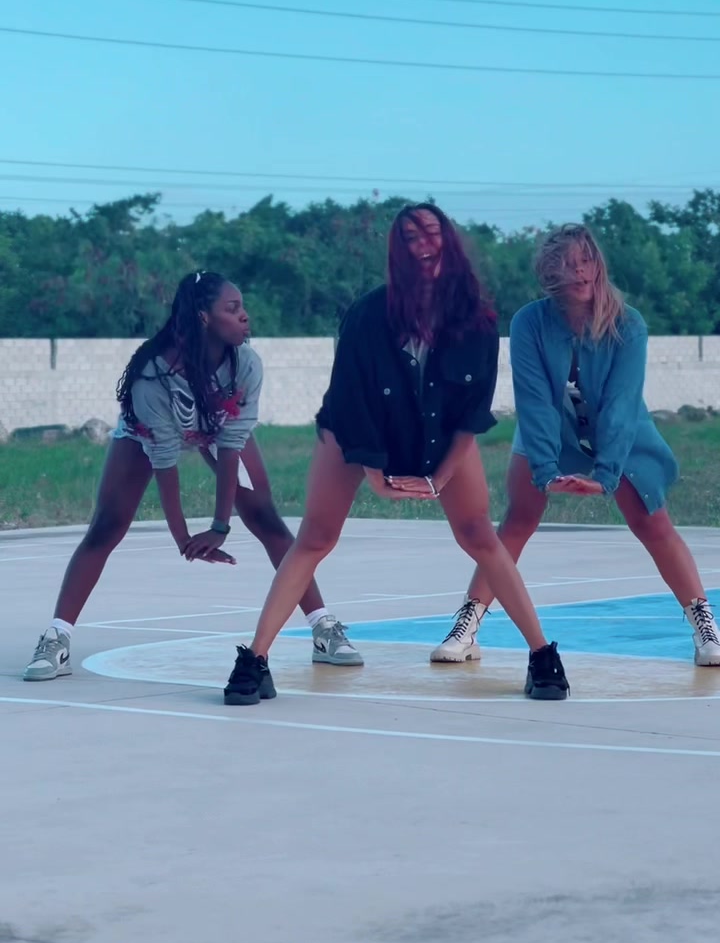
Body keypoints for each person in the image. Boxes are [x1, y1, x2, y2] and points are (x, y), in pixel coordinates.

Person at [223, 203, 568, 707]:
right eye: (409, 237)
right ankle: (254, 660)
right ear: (397, 252)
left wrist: (441, 477)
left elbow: (471, 412)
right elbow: (352, 401)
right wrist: (375, 473)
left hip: (439, 434)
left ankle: (541, 656)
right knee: (316, 537)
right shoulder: (368, 315)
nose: (422, 244)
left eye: (431, 232)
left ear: (449, 242)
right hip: (355, 432)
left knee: (479, 535)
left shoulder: (476, 318)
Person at [24, 271, 360, 685]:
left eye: (243, 307)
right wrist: (183, 538)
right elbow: (164, 461)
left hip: (216, 427)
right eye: (232, 308)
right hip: (150, 432)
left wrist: (220, 526)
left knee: (267, 519)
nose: (245, 316)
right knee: (106, 526)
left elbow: (231, 446)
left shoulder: (246, 363)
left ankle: (323, 628)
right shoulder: (152, 374)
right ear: (203, 316)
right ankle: (56, 639)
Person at [432, 223, 720, 667]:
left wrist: (605, 476)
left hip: (620, 432)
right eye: (569, 264)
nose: (581, 272)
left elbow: (622, 405)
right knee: (517, 520)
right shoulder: (529, 321)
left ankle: (704, 625)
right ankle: (467, 624)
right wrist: (546, 471)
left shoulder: (628, 324)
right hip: (550, 429)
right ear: (550, 273)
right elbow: (534, 401)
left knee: (653, 524)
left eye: (587, 261)